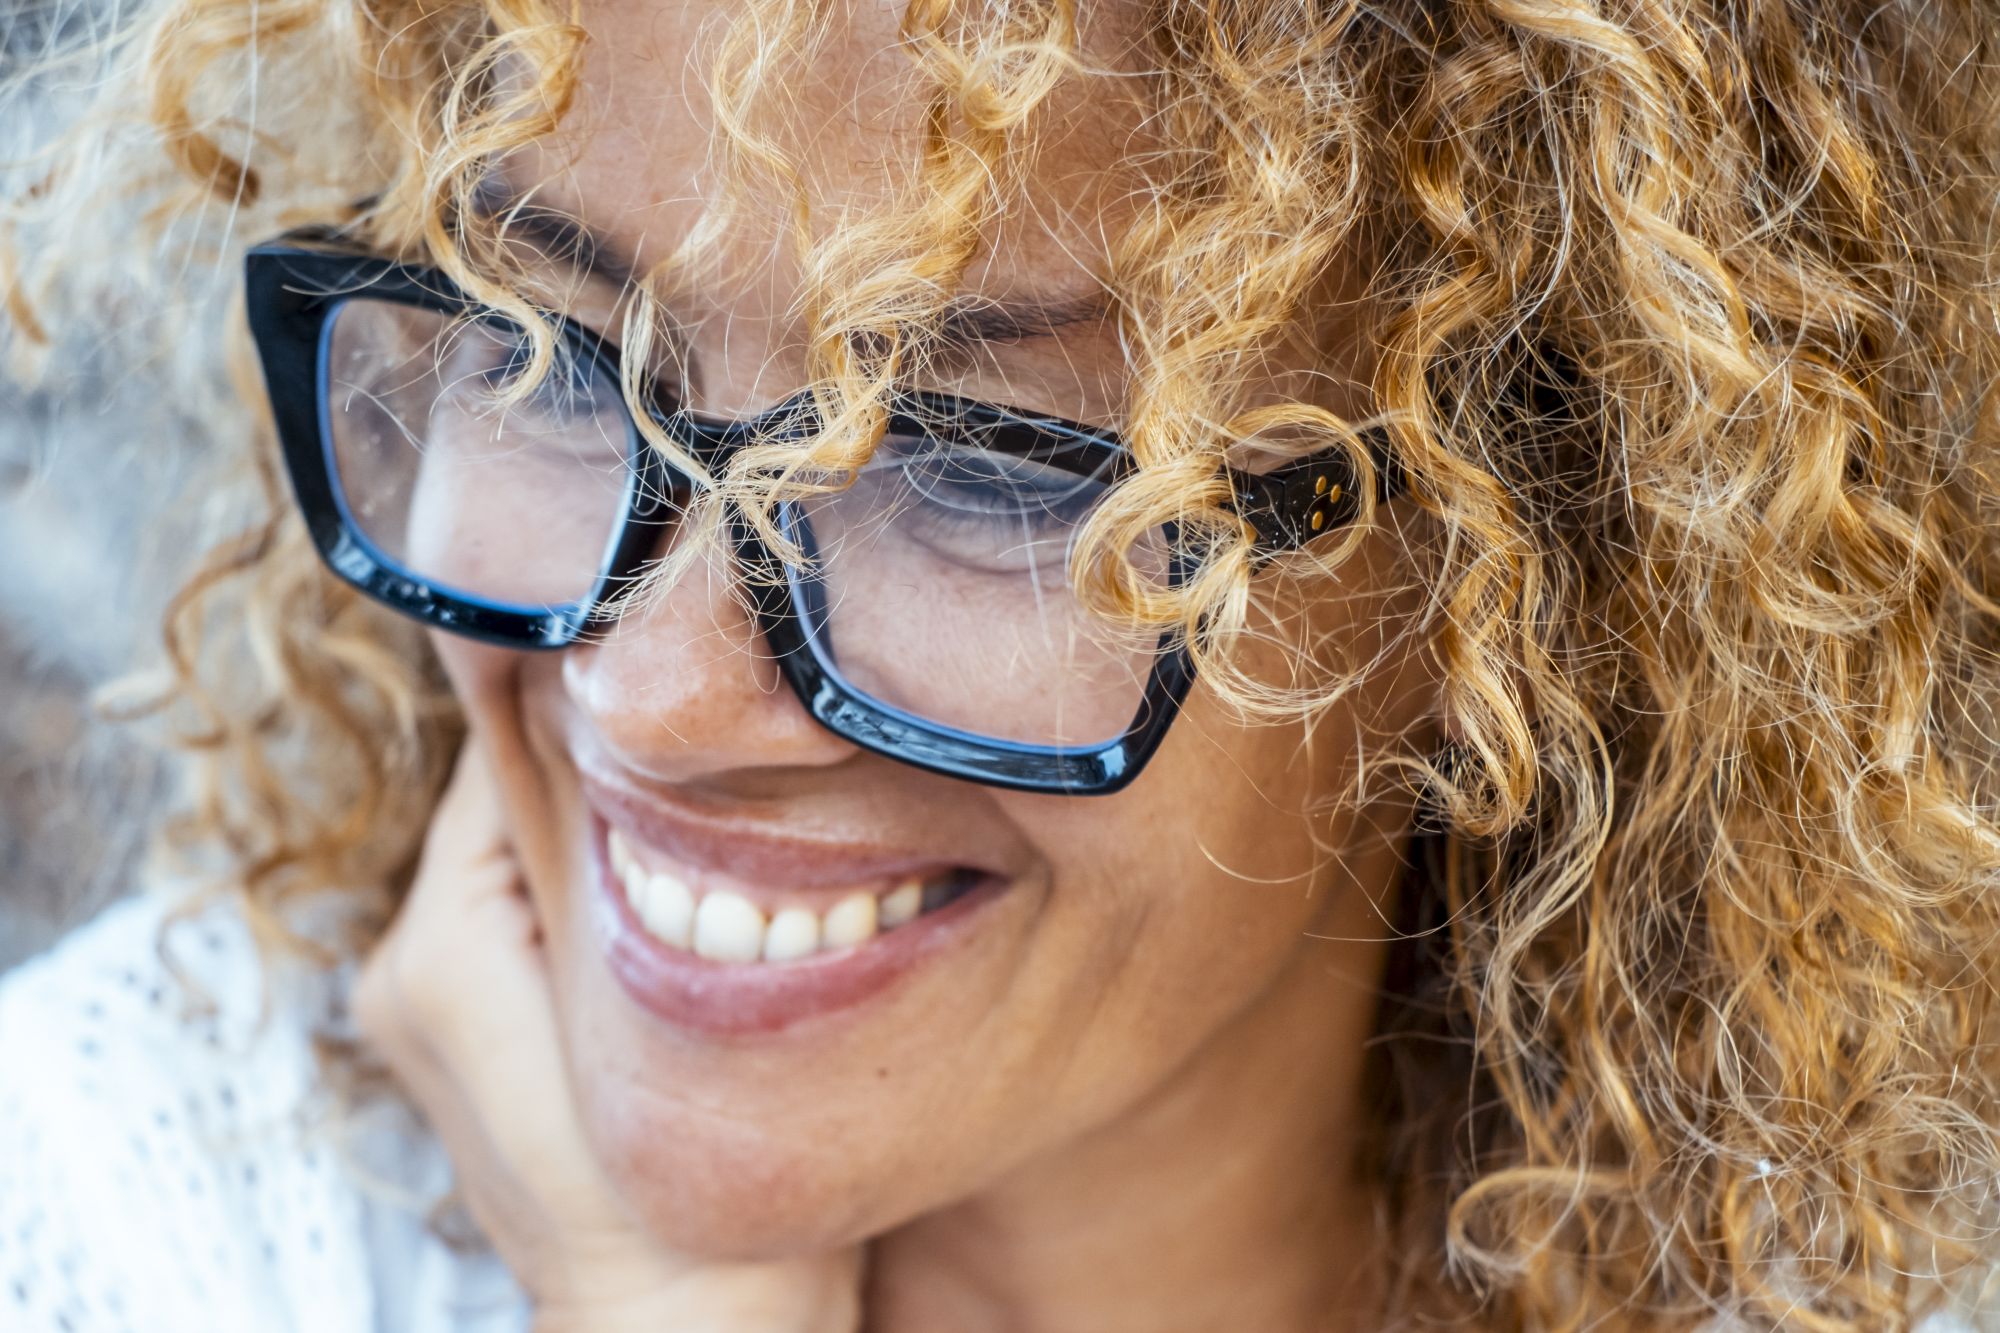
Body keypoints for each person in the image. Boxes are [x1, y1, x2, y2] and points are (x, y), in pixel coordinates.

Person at [4, 0, 2000, 1325]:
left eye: (974, 467)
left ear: (1531, 558)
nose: (648, 696)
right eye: (543, 357)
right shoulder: (118, 1224)